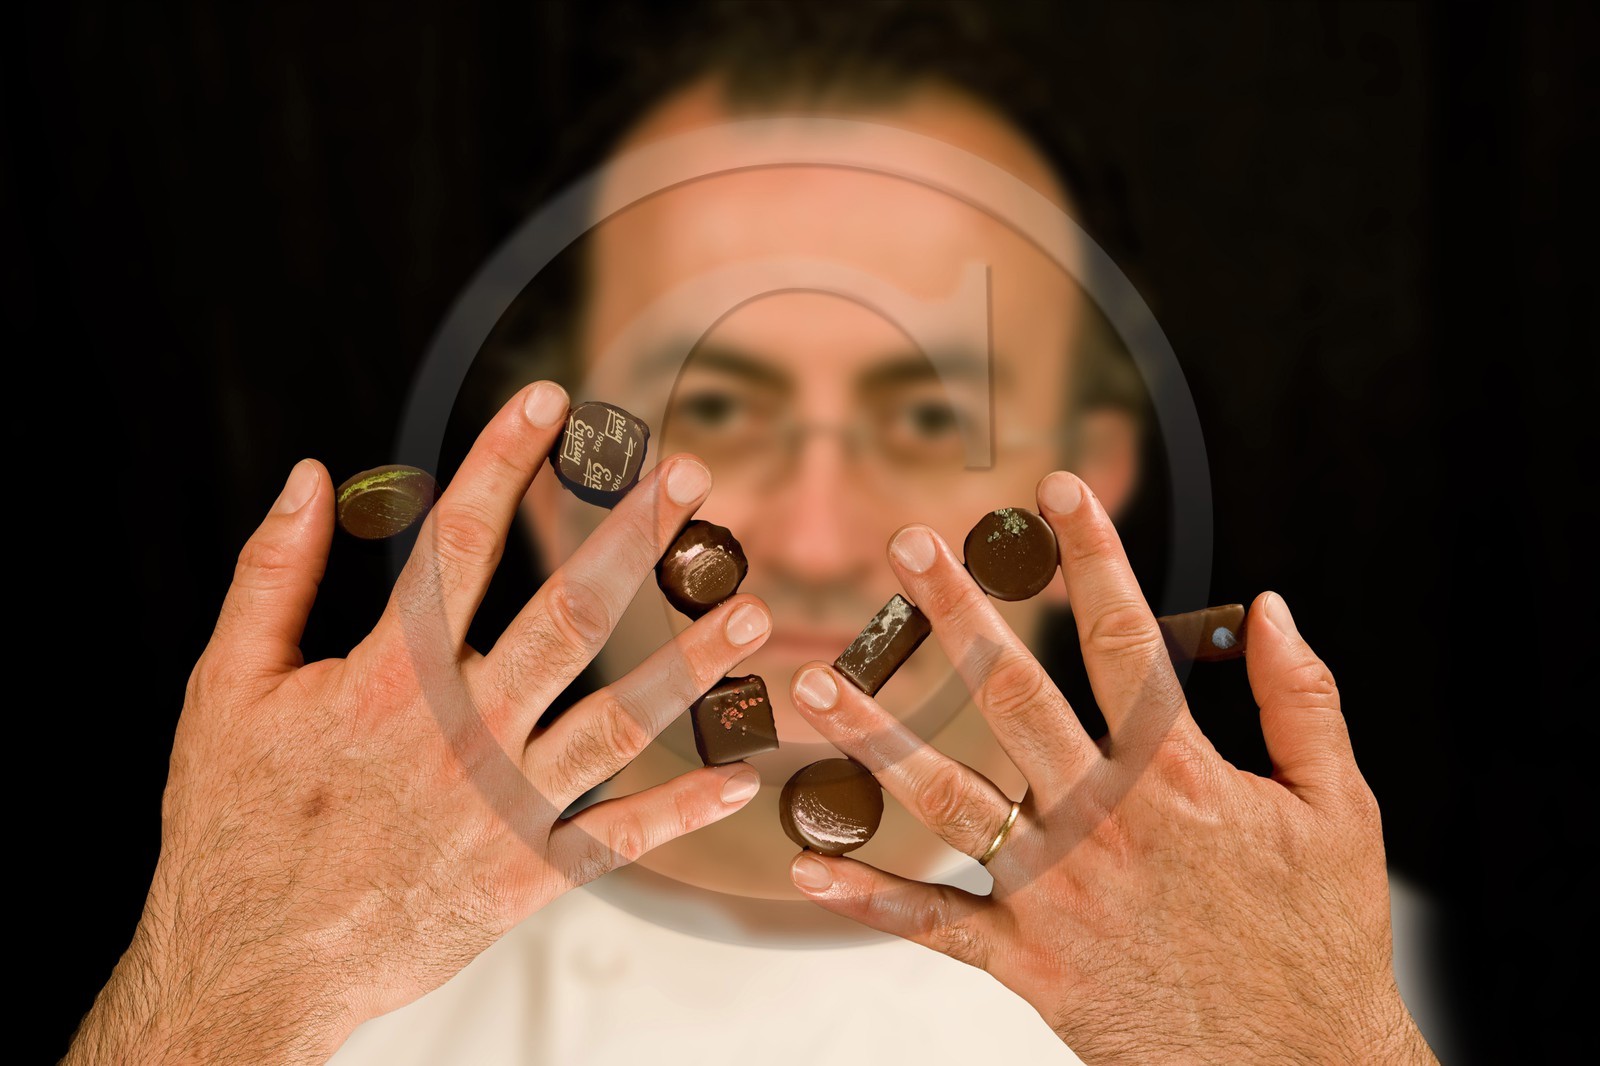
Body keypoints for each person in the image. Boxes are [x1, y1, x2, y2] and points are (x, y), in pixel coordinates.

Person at [63, 5, 1442, 1064]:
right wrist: (221, 999)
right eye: (715, 402)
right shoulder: (289, 995)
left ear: (1089, 471)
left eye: (924, 420)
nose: (822, 533)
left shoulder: (1340, 977)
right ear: (552, 473)